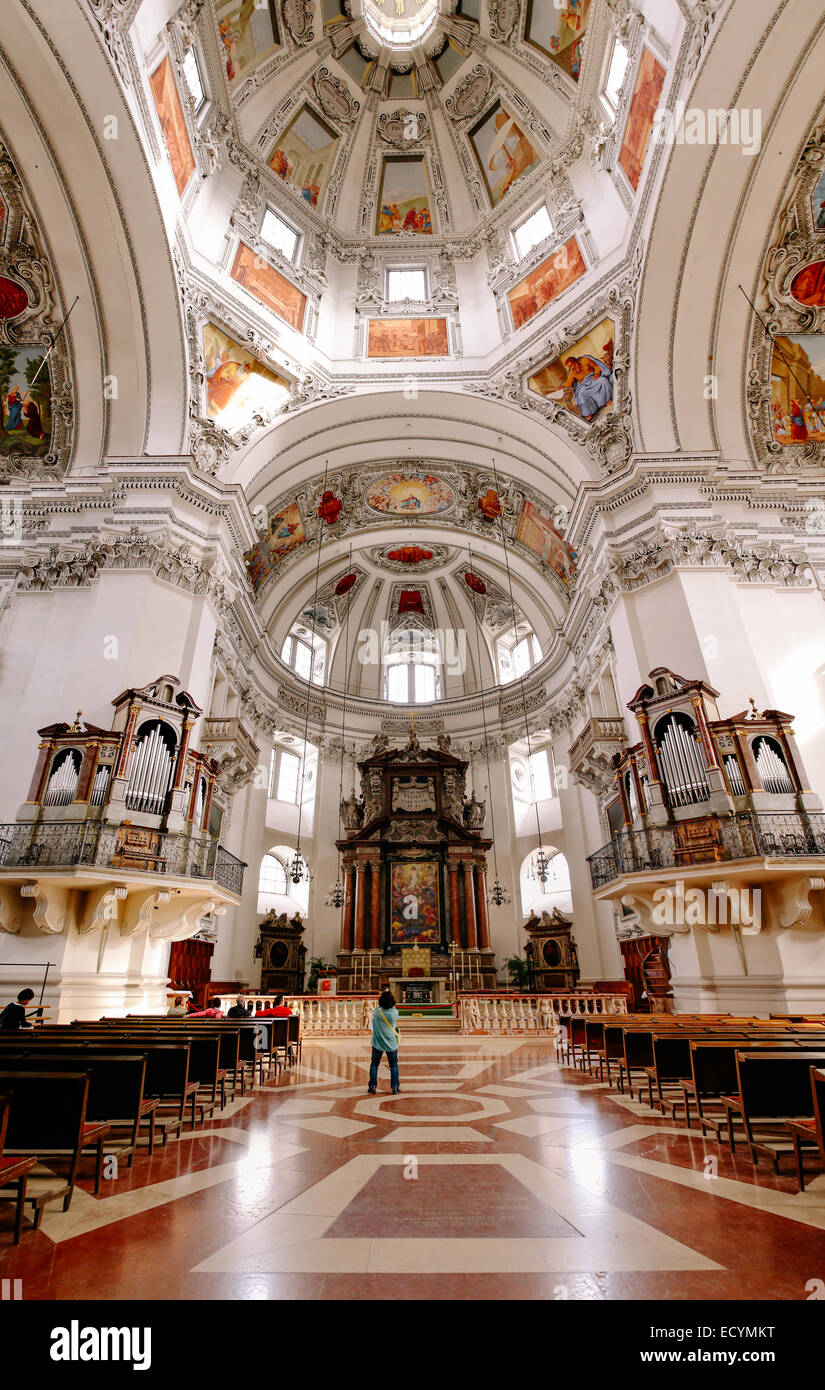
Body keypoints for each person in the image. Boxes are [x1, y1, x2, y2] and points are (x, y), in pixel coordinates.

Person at [368, 990, 400, 1095]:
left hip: (377, 1042)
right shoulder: (394, 1013)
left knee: (374, 1065)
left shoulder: (377, 1012)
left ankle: (372, 1086)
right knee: (394, 1066)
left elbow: (377, 1008)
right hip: (391, 1042)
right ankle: (395, 1087)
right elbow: (394, 1008)